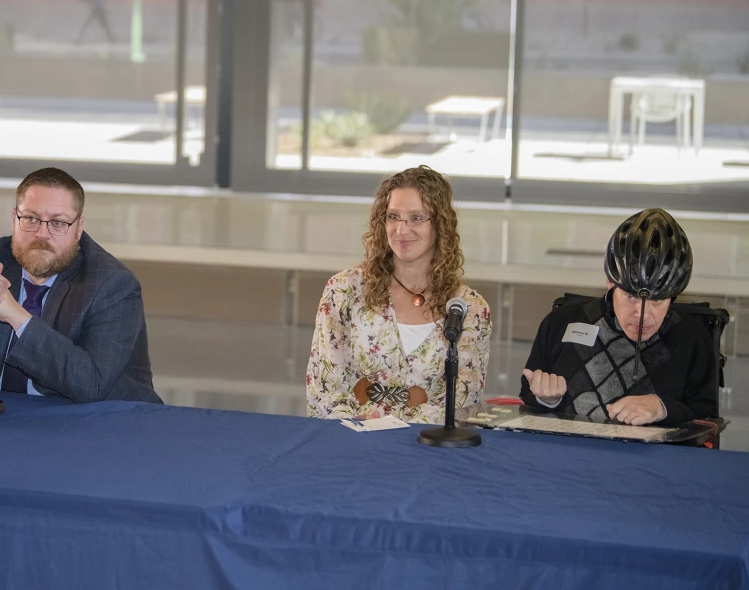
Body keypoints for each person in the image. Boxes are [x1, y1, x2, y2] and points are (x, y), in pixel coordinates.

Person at [0, 167, 160, 404]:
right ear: (14, 218)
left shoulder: (112, 284)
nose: (42, 234)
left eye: (58, 223)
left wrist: (17, 317)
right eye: (31, 218)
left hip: (101, 423)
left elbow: (91, 384)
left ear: (79, 228)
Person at [306, 166, 491, 423]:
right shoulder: (343, 291)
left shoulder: (468, 308)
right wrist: (357, 421)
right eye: (393, 216)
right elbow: (323, 387)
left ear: (441, 225)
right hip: (351, 442)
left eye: (416, 218)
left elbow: (464, 401)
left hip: (427, 449)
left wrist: (395, 427)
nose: (401, 230)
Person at [521, 208, 716, 426]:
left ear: (673, 296)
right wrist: (546, 399)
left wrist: (662, 409)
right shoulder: (560, 322)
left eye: (657, 301)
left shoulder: (692, 338)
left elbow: (706, 417)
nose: (642, 315)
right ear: (610, 282)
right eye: (630, 297)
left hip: (652, 459)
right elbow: (526, 395)